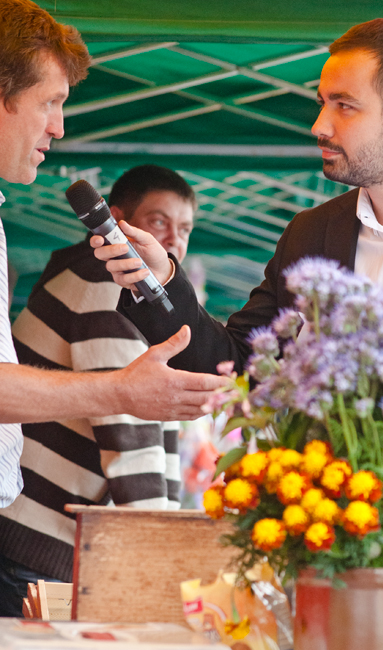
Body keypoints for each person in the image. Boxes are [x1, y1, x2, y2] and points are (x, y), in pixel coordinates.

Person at [92, 16, 383, 373]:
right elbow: (238, 363)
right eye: (322, 103)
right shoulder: (311, 233)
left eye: (344, 105)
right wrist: (161, 278)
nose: (318, 125)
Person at [0, 0, 226, 525]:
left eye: (184, 229)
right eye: (50, 102)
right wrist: (121, 390)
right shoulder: (103, 279)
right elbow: (133, 446)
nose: (59, 127)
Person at [0, 165, 196, 616]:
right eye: (159, 221)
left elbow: (153, 422)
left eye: (185, 228)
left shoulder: (109, 283)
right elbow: (129, 432)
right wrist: (162, 560)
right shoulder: (108, 283)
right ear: (117, 220)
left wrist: (165, 536)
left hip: (32, 534)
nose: (173, 239)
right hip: (35, 542)